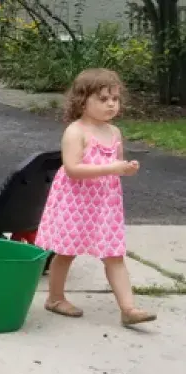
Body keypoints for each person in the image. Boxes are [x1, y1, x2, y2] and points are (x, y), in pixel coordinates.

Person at [35, 68, 156, 327]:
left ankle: (128, 308)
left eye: (115, 98)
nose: (111, 104)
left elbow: (116, 162)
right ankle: (55, 298)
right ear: (82, 101)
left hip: (104, 205)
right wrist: (113, 168)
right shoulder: (76, 132)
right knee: (66, 252)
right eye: (103, 99)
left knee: (114, 255)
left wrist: (126, 168)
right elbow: (72, 168)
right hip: (75, 202)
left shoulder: (114, 133)